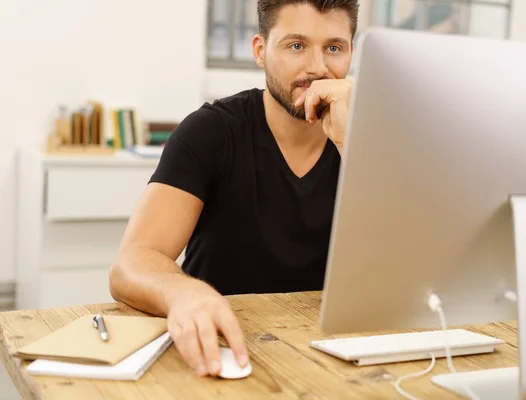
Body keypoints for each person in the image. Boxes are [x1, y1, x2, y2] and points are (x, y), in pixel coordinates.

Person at [108, 0, 359, 378]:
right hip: (222, 351)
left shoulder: (368, 137)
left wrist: (349, 144)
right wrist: (181, 292)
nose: (318, 68)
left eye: (334, 48)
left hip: (332, 355)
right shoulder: (210, 131)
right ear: (260, 51)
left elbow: (404, 264)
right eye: (296, 46)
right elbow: (130, 263)